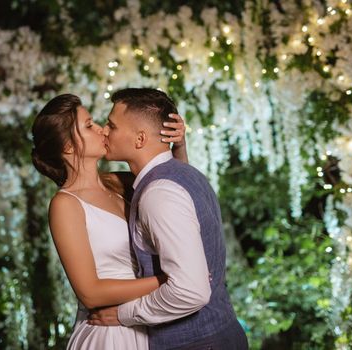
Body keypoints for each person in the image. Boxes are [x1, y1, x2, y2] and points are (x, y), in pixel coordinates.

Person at [88, 88, 248, 349]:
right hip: (220, 333)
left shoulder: (159, 194)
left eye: (112, 125)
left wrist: (123, 314)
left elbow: (190, 291)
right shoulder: (185, 174)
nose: (104, 130)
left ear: (140, 139)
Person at [30, 93, 188, 349]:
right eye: (90, 125)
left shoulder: (121, 182)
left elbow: (177, 196)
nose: (102, 130)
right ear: (69, 147)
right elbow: (90, 292)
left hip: (150, 321)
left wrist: (178, 145)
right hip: (110, 331)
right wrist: (169, 280)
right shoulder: (65, 204)